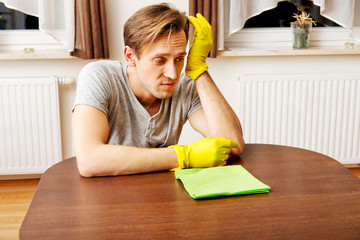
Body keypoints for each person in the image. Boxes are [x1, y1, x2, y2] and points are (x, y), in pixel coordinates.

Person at [72, 3, 245, 177]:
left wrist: (199, 70)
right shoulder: (100, 77)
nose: (172, 74)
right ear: (130, 56)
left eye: (179, 59)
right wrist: (183, 156)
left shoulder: (185, 86)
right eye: (160, 60)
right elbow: (89, 160)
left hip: (163, 195)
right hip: (108, 196)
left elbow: (232, 145)